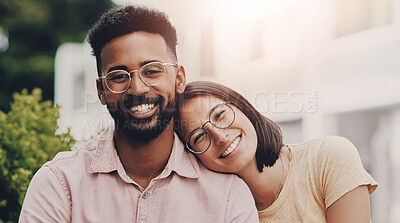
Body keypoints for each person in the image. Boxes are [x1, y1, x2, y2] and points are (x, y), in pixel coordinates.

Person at [19, 6, 258, 222]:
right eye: (119, 76)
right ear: (101, 91)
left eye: (152, 71)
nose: (138, 88)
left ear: (179, 79)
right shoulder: (60, 184)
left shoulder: (228, 194)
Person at [176, 81, 378, 222]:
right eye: (199, 137)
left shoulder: (329, 157)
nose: (219, 137)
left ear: (243, 107)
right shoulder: (221, 213)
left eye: (220, 115)